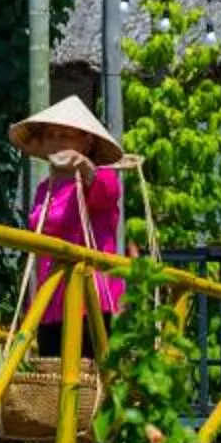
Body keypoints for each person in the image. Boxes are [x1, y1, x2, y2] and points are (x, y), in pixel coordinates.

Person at [11, 96, 135, 330]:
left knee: (86, 355)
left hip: (89, 300)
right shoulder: (44, 189)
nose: (57, 141)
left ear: (87, 142)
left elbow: (107, 193)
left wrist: (84, 166)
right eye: (50, 135)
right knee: (46, 354)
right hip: (49, 298)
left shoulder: (102, 178)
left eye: (66, 135)